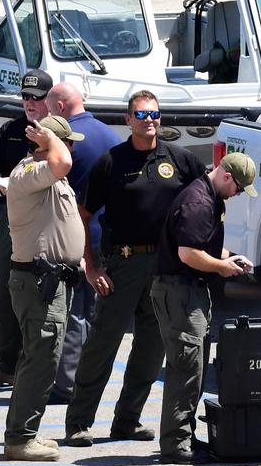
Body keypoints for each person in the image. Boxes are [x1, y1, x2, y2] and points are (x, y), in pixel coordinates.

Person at [65, 90, 205, 447]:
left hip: (165, 266)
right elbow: (82, 215)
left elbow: (204, 201)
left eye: (155, 114)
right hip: (122, 265)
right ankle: (79, 422)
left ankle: (127, 420)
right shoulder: (111, 162)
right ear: (128, 120)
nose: (150, 121)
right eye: (142, 115)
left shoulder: (181, 159)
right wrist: (91, 265)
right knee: (101, 345)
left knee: (150, 348)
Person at [153, 153, 258, 464]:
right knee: (186, 369)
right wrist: (221, 267)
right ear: (226, 176)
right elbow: (188, 253)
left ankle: (183, 434)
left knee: (194, 369)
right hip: (180, 291)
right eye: (239, 188)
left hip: (190, 292)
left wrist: (230, 257)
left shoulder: (212, 198)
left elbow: (205, 244)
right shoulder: (199, 202)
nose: (238, 194)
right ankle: (175, 444)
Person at [3, 115, 85, 461]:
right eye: (68, 141)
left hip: (54, 281)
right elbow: (62, 161)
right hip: (38, 282)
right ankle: (20, 438)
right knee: (40, 358)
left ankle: (27, 432)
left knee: (43, 359)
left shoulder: (51, 175)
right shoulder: (28, 173)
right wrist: (51, 139)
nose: (72, 148)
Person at [0, 69, 52, 389]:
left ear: (49, 100)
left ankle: (44, 368)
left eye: (36, 98)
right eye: (25, 97)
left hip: (48, 221)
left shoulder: (59, 132)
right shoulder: (10, 130)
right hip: (12, 219)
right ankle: (6, 363)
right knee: (5, 289)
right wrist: (3, 185)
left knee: (47, 294)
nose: (30, 103)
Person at [44, 82, 119, 403]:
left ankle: (68, 385)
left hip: (75, 238)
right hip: (109, 237)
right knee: (96, 315)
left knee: (73, 313)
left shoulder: (64, 143)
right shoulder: (111, 136)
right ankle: (89, 381)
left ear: (60, 107)